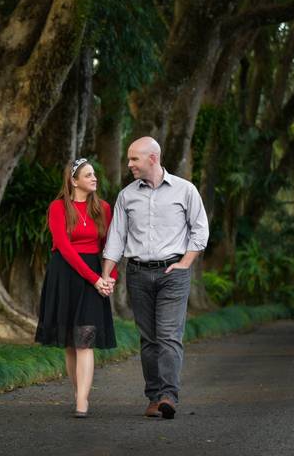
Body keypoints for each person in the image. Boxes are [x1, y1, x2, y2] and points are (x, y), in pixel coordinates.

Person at [101, 136, 209, 419]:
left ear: (153, 158)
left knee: (170, 335)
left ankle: (168, 396)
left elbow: (200, 230)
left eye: (134, 159)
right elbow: (116, 237)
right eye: (128, 159)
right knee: (148, 339)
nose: (129, 164)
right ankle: (153, 396)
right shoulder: (126, 195)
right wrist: (106, 275)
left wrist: (185, 263)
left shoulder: (185, 190)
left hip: (173, 273)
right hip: (137, 273)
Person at [35, 158, 117, 418]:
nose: (95, 179)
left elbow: (111, 246)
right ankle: (78, 392)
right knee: (71, 342)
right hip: (66, 274)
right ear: (73, 180)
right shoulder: (58, 207)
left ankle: (83, 400)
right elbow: (64, 247)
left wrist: (109, 276)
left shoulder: (103, 208)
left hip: (94, 274)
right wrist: (94, 278)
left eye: (95, 174)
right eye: (89, 175)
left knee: (85, 339)